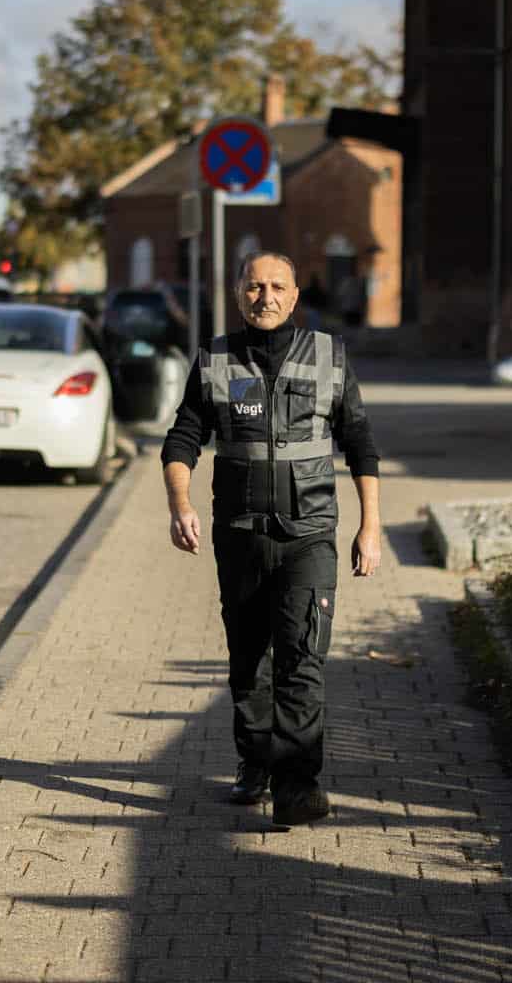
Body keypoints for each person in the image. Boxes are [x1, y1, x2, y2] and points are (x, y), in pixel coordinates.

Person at [162, 250, 383, 827]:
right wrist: (180, 504)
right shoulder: (215, 358)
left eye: (277, 287)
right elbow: (183, 437)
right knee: (248, 663)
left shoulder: (330, 356)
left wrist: (371, 526)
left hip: (309, 536)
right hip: (239, 536)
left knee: (301, 659)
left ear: (295, 295)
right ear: (239, 293)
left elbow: (360, 444)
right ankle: (256, 762)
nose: (266, 297)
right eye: (255, 287)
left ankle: (297, 787)